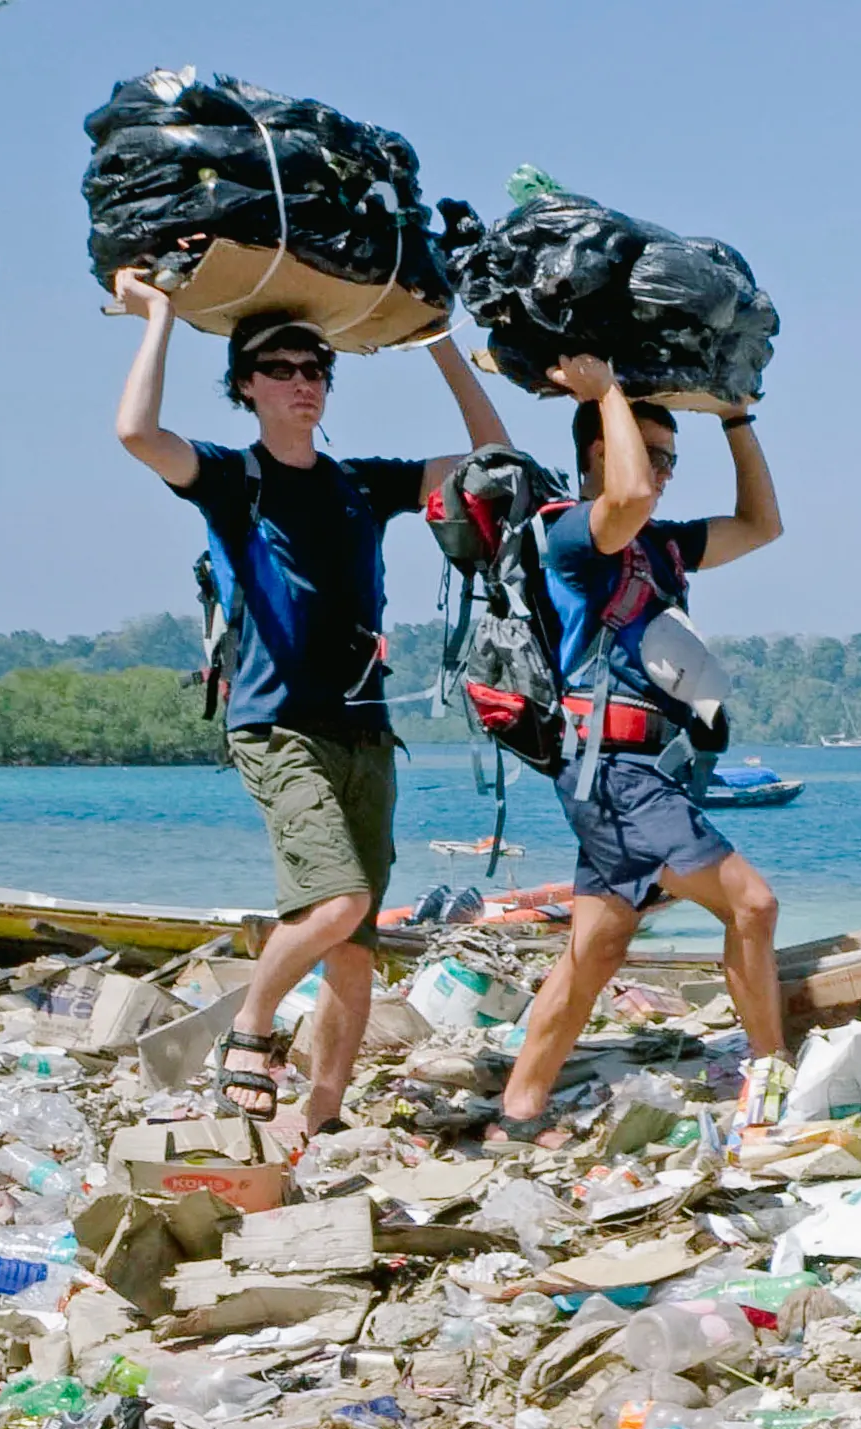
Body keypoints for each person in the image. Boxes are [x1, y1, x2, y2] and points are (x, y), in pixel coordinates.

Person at [110, 285, 506, 1148]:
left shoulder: (364, 484)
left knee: (355, 941)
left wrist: (438, 341)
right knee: (337, 901)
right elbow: (138, 434)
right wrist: (162, 319)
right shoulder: (230, 478)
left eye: (315, 368)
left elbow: (492, 455)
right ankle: (251, 1028)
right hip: (276, 724)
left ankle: (322, 1111)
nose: (302, 381)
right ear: (245, 385)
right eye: (279, 369)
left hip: (365, 730)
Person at [491, 364, 787, 1145]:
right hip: (611, 770)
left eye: (669, 459)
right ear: (598, 453)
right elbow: (620, 501)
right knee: (753, 905)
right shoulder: (572, 538)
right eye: (647, 452)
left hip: (640, 776)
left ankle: (516, 1112)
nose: (658, 472)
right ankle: (772, 1082)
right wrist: (607, 392)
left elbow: (763, 528)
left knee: (597, 949)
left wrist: (734, 422)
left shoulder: (666, 548)